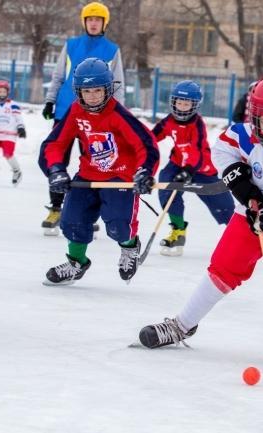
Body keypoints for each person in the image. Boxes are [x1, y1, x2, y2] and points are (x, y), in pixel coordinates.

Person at [138, 74, 263, 353]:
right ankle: (182, 325)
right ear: (254, 118)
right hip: (255, 213)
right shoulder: (242, 135)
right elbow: (221, 151)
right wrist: (238, 180)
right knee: (224, 267)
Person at [41, 58, 158, 285]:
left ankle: (129, 246)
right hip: (87, 176)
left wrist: (144, 171)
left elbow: (146, 144)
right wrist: (55, 169)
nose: (93, 96)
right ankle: (77, 262)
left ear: (108, 89)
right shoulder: (75, 112)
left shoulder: (118, 114)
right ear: (78, 91)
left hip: (119, 178)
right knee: (72, 220)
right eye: (87, 91)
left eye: (97, 90)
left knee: (118, 225)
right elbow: (54, 144)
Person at [40, 1, 125, 232]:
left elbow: (117, 84)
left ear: (104, 23)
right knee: (58, 158)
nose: (94, 23)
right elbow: (58, 76)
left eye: (98, 20)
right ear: (84, 22)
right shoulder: (71, 45)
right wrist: (50, 100)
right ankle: (56, 207)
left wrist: (119, 114)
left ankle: (88, 212)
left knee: (96, 162)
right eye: (90, 19)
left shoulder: (112, 50)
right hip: (67, 110)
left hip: (97, 116)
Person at [152, 80, 234, 256]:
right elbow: (151, 137)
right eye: (179, 103)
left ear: (194, 105)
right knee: (166, 187)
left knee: (224, 206)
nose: (182, 107)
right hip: (177, 163)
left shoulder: (197, 124)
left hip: (201, 168)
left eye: (186, 103)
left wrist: (188, 171)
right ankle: (178, 231)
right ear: (173, 102)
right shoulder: (168, 121)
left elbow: (197, 150)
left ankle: (239, 237)